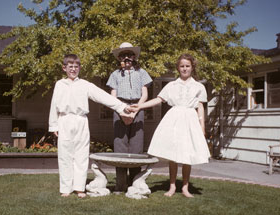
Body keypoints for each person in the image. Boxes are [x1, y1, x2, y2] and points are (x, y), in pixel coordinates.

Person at [48, 54, 132, 198]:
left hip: (81, 121)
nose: (73, 69)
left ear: (80, 68)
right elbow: (54, 105)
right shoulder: (59, 84)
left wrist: (122, 107)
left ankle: (79, 187)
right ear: (64, 68)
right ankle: (65, 188)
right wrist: (53, 125)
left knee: (81, 155)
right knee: (65, 156)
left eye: (76, 67)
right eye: (70, 67)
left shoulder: (85, 85)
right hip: (64, 120)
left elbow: (103, 96)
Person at [129, 54, 210, 197]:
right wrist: (140, 106)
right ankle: (172, 186)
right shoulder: (171, 85)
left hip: (190, 121)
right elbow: (158, 99)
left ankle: (185, 187)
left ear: (192, 67)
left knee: (187, 154)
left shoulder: (199, 87)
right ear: (178, 68)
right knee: (173, 154)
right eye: (182, 66)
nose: (184, 69)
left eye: (187, 66)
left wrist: (202, 127)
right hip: (174, 120)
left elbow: (200, 107)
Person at [106, 42, 153, 192]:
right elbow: (113, 96)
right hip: (120, 108)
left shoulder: (142, 73)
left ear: (134, 57)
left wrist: (136, 109)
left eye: (129, 55)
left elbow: (145, 94)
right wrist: (121, 110)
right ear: (119, 58)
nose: (126, 58)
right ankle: (120, 185)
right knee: (120, 145)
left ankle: (135, 185)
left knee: (136, 147)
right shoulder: (115, 74)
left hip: (137, 108)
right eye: (123, 55)